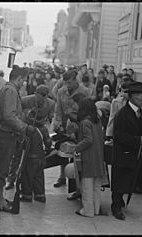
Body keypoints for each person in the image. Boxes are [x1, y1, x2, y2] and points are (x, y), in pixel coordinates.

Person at [0, 65, 35, 212]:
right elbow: (9, 116)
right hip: (6, 135)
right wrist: (24, 128)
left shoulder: (9, 89)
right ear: (19, 78)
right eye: (23, 80)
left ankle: (0, 197)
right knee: (1, 167)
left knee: (2, 166)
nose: (24, 83)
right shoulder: (10, 91)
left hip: (8, 134)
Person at [111, 81, 142, 220]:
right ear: (132, 96)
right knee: (119, 180)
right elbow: (119, 135)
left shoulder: (139, 112)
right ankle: (115, 206)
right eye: (140, 95)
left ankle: (120, 200)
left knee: (127, 179)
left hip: (132, 153)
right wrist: (137, 140)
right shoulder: (123, 114)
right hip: (123, 153)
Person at [5, 85, 55, 189]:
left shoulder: (51, 104)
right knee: (16, 155)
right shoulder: (25, 101)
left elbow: (51, 120)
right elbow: (17, 114)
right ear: (35, 94)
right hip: (25, 129)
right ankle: (11, 179)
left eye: (43, 97)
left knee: (35, 159)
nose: (40, 100)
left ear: (46, 96)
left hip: (38, 132)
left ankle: (33, 182)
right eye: (38, 96)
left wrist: (49, 135)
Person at [53, 70, 90, 201]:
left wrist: (79, 128)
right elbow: (57, 110)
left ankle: (77, 188)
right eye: (65, 83)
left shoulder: (84, 91)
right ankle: (62, 176)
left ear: (76, 80)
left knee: (77, 156)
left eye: (69, 82)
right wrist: (57, 124)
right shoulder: (61, 92)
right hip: (65, 126)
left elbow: (87, 111)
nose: (67, 85)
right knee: (63, 152)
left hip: (79, 127)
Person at [74, 98, 105, 217]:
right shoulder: (97, 121)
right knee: (96, 187)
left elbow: (88, 140)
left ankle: (87, 211)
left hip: (88, 158)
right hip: (98, 158)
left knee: (87, 186)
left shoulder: (85, 122)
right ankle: (96, 210)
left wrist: (76, 148)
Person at [20, 108, 52, 203]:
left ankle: (27, 195)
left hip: (30, 158)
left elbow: (23, 144)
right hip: (41, 158)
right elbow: (48, 143)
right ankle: (40, 195)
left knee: (27, 177)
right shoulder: (44, 129)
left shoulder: (29, 130)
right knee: (39, 177)